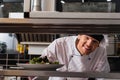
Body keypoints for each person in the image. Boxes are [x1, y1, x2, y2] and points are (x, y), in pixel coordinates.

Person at [33, 34, 110, 80]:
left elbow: (101, 75)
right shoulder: (60, 44)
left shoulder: (100, 51)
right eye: (87, 38)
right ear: (79, 36)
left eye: (94, 41)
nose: (89, 44)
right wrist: (33, 71)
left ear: (98, 44)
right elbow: (42, 62)